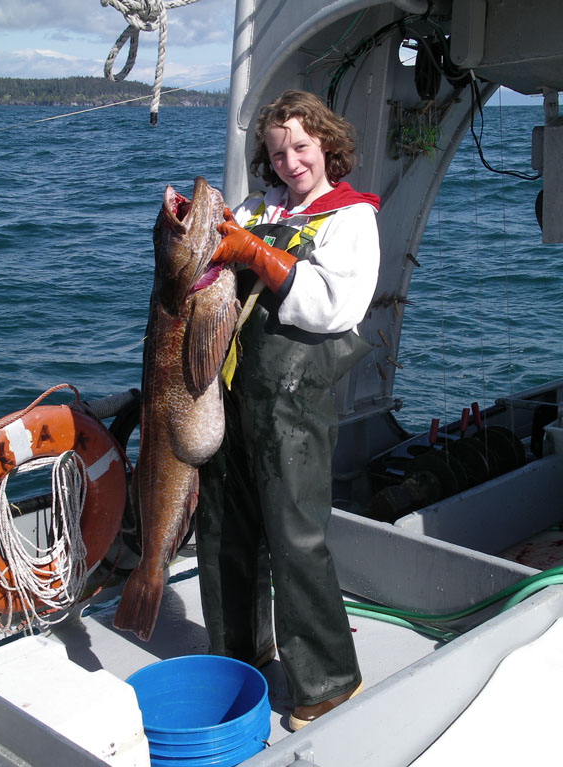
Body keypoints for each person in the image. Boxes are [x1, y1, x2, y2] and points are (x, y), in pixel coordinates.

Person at [195, 90, 381, 731]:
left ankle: (328, 682)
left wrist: (254, 254)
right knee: (223, 531)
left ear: (326, 144)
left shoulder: (351, 217)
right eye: (277, 152)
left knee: (295, 538)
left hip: (293, 402)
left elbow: (335, 305)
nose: (291, 160)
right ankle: (239, 653)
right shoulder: (256, 208)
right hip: (229, 392)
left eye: (301, 146)